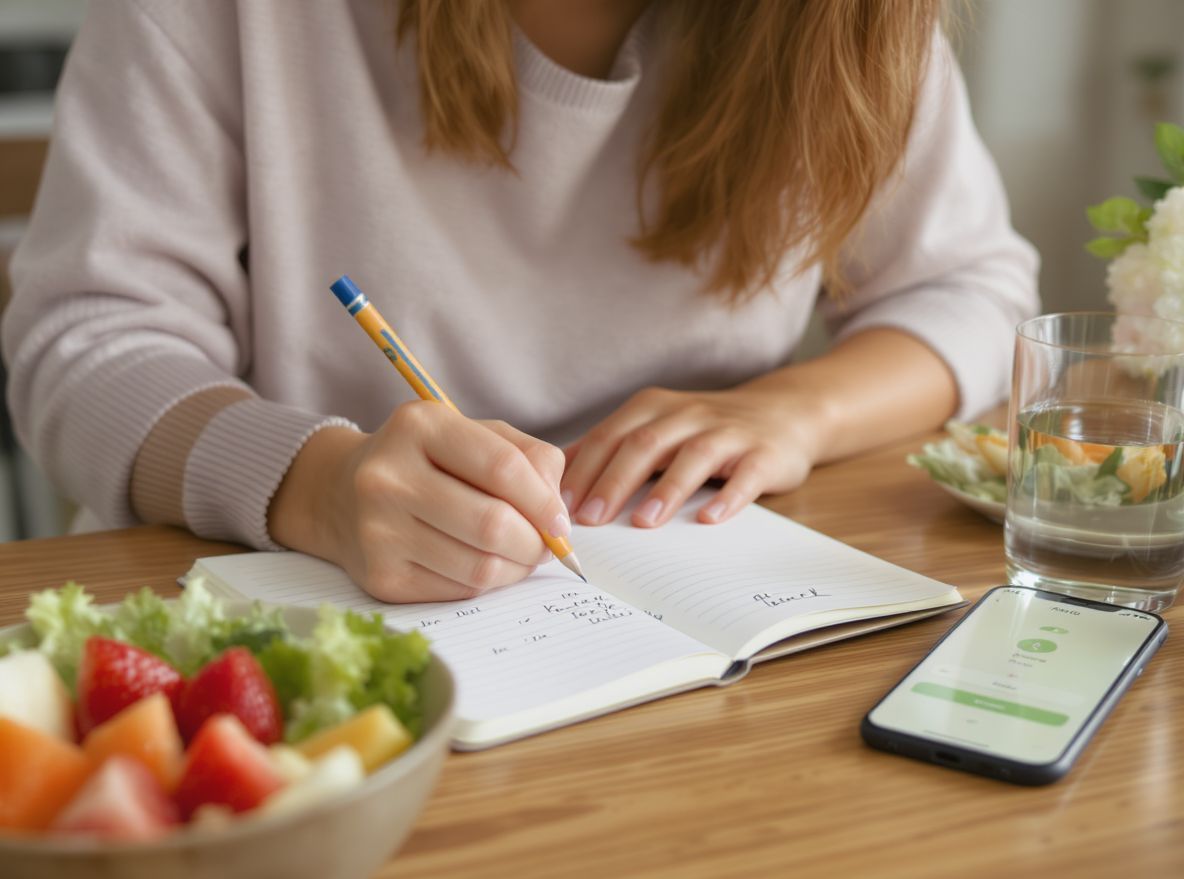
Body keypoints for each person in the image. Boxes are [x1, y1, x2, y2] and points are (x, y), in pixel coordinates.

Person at [2, 0, 1038, 603]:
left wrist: (795, 409)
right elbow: (88, 341)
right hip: (283, 614)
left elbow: (972, 287)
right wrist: (313, 485)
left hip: (693, 635)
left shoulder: (835, 25)